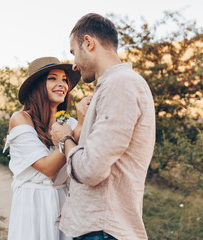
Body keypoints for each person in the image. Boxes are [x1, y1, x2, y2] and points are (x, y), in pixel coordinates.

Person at [50, 13, 156, 240]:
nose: (74, 65)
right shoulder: (115, 86)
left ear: (88, 43)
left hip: (102, 231)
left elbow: (91, 170)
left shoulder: (121, 84)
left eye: (73, 52)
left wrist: (65, 138)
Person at [3, 56, 84, 240]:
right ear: (37, 85)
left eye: (64, 80)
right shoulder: (21, 119)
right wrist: (72, 134)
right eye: (52, 78)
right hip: (32, 204)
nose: (61, 84)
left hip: (62, 202)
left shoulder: (70, 122)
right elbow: (48, 169)